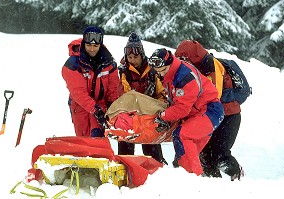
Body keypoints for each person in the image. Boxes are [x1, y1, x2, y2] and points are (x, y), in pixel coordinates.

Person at [174, 40, 245, 181]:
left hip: (228, 116)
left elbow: (213, 96)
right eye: (180, 60)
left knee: (220, 155)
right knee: (204, 154)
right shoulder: (189, 71)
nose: (182, 63)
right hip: (207, 115)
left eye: (185, 59)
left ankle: (237, 177)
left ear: (193, 57)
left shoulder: (211, 67)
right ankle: (213, 187)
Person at [148, 48, 224, 175]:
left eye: (163, 70)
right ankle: (191, 177)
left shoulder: (184, 76)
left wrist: (163, 116)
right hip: (199, 112)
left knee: (182, 135)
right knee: (184, 156)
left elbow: (182, 109)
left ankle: (193, 179)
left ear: (170, 64)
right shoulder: (172, 73)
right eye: (158, 72)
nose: (161, 74)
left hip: (209, 111)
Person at [117, 32, 167, 164]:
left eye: (135, 56)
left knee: (152, 151)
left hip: (149, 115)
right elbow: (125, 95)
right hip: (129, 115)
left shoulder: (152, 71)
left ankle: (157, 166)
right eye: (129, 57)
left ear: (142, 55)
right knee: (125, 151)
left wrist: (158, 109)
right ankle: (124, 167)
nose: (132, 60)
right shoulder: (123, 71)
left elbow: (161, 93)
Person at [62, 26, 119, 137]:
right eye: (88, 45)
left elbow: (113, 89)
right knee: (84, 139)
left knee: (98, 138)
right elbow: (78, 92)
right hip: (79, 106)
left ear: (100, 45)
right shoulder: (73, 64)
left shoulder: (109, 63)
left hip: (101, 104)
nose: (92, 49)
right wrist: (95, 109)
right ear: (84, 44)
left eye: (95, 46)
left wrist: (112, 108)